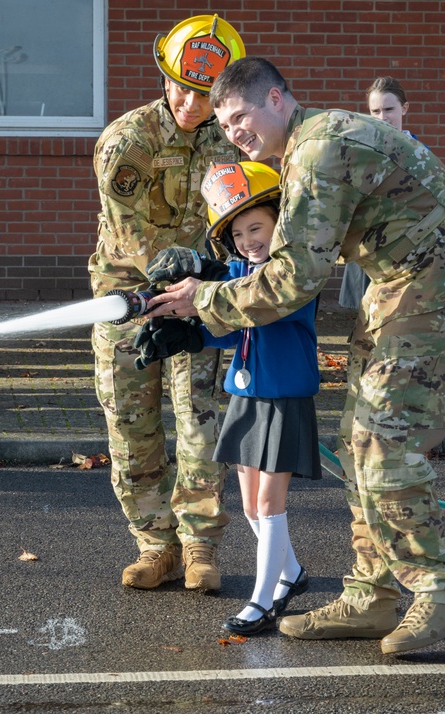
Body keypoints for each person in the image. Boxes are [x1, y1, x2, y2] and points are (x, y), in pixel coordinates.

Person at [138, 57, 445, 655]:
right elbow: (280, 257)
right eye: (225, 125)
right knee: (358, 433)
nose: (234, 132)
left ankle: (437, 588)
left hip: (439, 280)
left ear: (278, 100)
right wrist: (211, 281)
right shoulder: (300, 151)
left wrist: (202, 300)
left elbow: (292, 278)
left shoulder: (315, 152)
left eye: (241, 116)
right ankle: (372, 595)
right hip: (399, 282)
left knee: (386, 434)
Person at [87, 15, 246, 594]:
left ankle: (200, 546)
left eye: (205, 94)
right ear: (164, 75)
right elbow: (132, 240)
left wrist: (208, 291)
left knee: (201, 425)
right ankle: (156, 546)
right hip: (127, 304)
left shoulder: (232, 141)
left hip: (196, 307)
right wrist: (174, 287)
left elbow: (241, 224)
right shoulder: (127, 142)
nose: (190, 102)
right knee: (133, 429)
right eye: (181, 86)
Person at [139, 161, 319, 634]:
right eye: (237, 233)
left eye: (256, 226)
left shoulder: (293, 273)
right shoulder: (242, 271)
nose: (247, 240)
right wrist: (190, 337)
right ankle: (292, 575)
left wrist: (213, 286)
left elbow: (262, 314)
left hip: (282, 399)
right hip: (245, 396)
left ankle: (263, 602)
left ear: (280, 222)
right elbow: (236, 329)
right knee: (249, 504)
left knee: (270, 504)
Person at [344, 76, 445, 439]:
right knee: (371, 341)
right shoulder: (358, 154)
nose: (382, 117)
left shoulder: (421, 156)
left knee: (424, 342)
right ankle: (371, 414)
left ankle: (434, 414)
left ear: (405, 109)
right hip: (374, 264)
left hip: (417, 267)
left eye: (388, 109)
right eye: (374, 111)